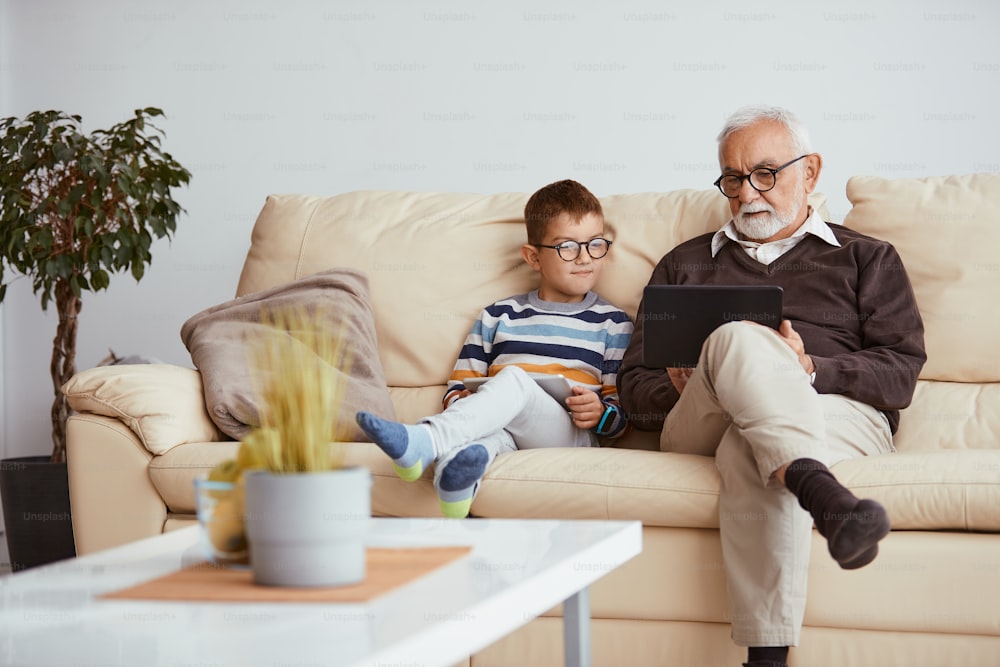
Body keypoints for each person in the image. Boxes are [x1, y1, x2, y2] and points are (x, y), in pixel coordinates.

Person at [617, 105, 926, 667]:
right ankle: (820, 490)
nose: (746, 193)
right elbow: (634, 391)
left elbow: (901, 371)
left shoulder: (867, 258)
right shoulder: (682, 265)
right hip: (703, 418)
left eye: (765, 173)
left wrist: (811, 370)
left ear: (810, 172)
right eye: (733, 178)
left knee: (752, 445)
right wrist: (692, 385)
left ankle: (766, 658)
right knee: (736, 338)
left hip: (835, 412)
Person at [357, 179, 634, 518]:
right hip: (505, 433)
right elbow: (458, 389)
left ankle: (426, 441)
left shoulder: (613, 324)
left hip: (568, 436)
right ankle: (454, 485)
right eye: (567, 247)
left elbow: (621, 417)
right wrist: (476, 404)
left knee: (516, 381)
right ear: (533, 257)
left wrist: (599, 412)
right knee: (479, 446)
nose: (584, 258)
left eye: (595, 244)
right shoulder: (497, 316)